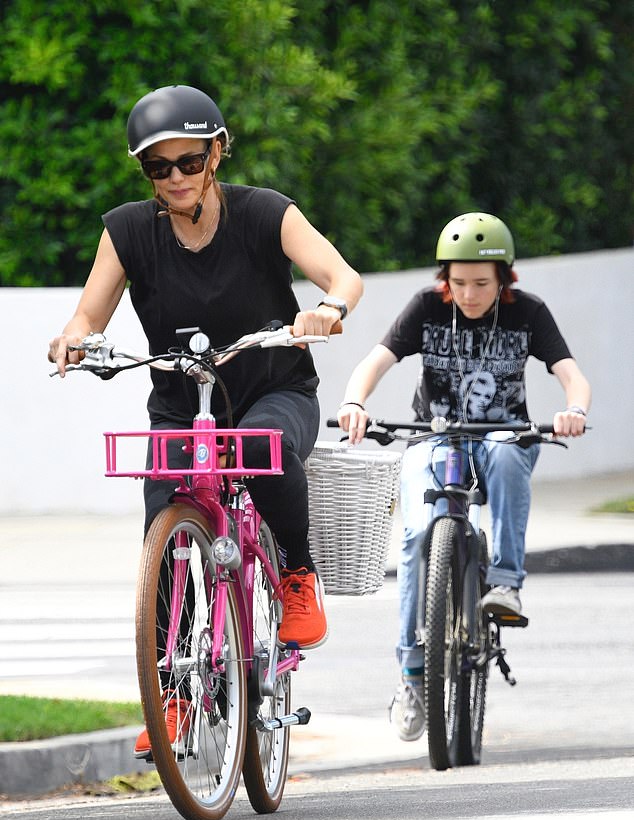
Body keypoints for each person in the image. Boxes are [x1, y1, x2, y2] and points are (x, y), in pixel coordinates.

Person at [48, 84, 363, 756]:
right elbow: (88, 315)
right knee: (163, 527)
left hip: (270, 388)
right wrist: (72, 337)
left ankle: (299, 575)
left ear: (216, 154)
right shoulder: (128, 230)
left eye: (187, 162)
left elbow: (343, 277)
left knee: (267, 447)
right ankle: (175, 694)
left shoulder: (263, 214)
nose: (175, 179)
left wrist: (328, 308)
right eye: (158, 168)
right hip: (179, 404)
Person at [337, 212, 590, 742]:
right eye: (458, 282)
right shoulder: (427, 309)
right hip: (435, 435)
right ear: (443, 280)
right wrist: (354, 401)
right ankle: (411, 676)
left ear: (504, 279)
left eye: (482, 283)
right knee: (413, 536)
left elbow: (572, 375)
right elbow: (374, 362)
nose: (470, 294)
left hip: (503, 435)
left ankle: (504, 585)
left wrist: (575, 409)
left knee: (502, 455)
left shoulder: (528, 314)